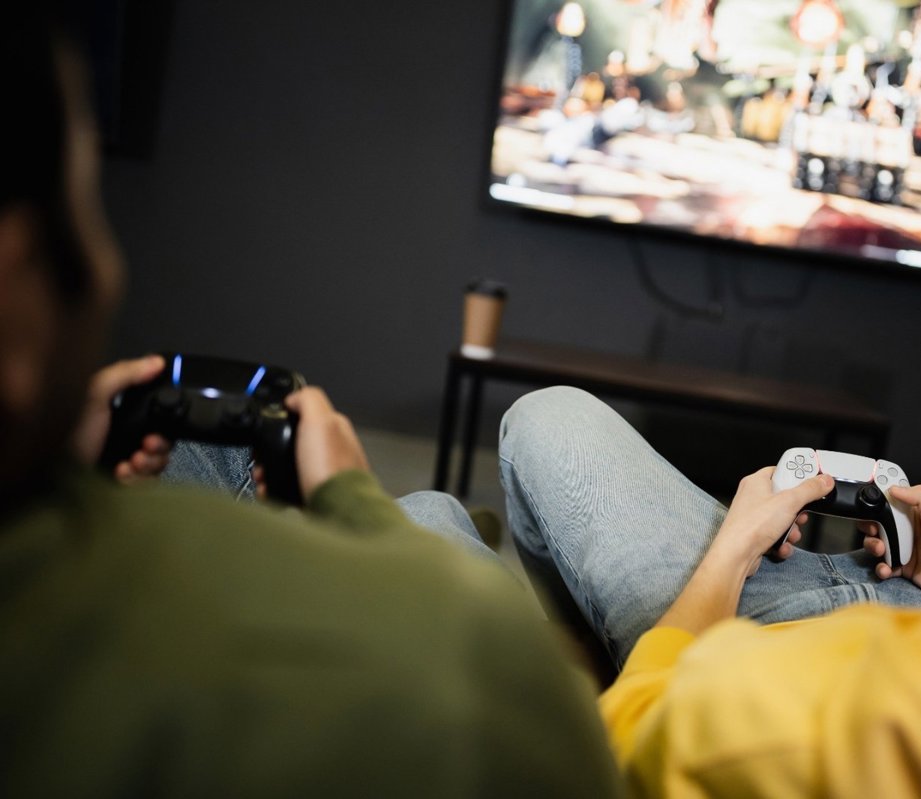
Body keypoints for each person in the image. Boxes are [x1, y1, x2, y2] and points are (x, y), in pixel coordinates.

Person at [0, 7, 621, 797]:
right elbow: (516, 684)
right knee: (434, 505)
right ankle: (435, 521)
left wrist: (47, 467)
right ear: (16, 285)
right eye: (89, 198)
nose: (107, 262)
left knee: (245, 432)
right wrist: (355, 503)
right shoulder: (474, 668)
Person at [498, 174, 921, 796]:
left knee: (547, 415)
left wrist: (734, 550)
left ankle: (608, 647)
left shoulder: (786, 741)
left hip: (732, 631)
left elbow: (631, 733)